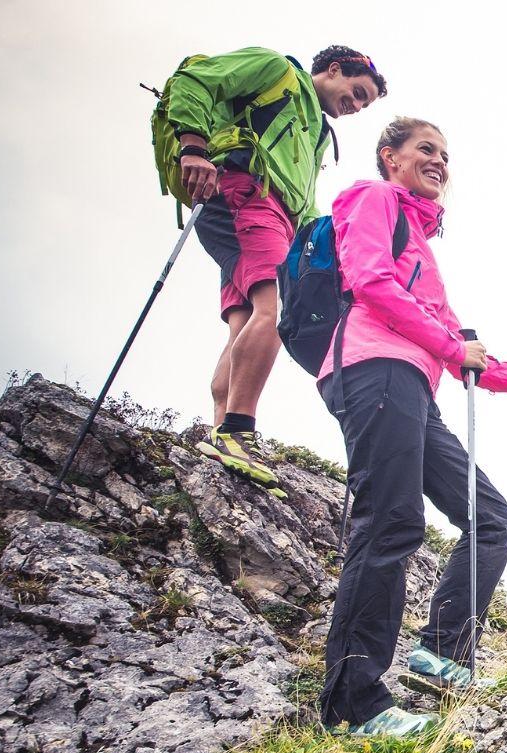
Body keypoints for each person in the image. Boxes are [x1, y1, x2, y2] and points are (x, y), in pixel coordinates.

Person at [316, 117, 507, 736]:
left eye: (445, 154)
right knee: (389, 522)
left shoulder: (423, 252)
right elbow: (368, 280)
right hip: (373, 369)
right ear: (391, 157)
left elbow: (465, 356)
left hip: (409, 383)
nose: (439, 161)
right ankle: (352, 704)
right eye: (425, 150)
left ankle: (440, 652)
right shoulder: (373, 198)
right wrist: (446, 343)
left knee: (490, 517)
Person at [159, 45, 387, 491]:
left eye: (364, 103)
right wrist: (193, 146)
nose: (356, 106)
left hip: (272, 217)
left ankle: (220, 428)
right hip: (249, 196)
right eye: (357, 92)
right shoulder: (277, 71)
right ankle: (237, 432)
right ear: (335, 69)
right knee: (274, 312)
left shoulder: (316, 129)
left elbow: (303, 202)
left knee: (244, 320)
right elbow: (197, 81)